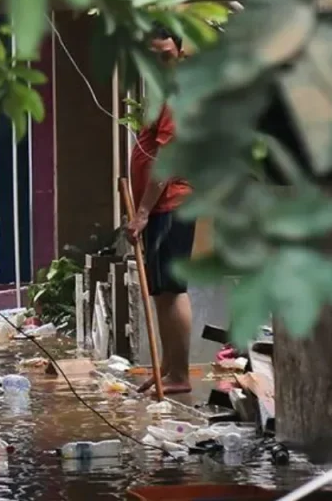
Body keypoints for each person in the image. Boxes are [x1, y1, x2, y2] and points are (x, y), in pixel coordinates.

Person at [126, 28, 195, 396]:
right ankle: (168, 367)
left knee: (171, 289)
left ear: (180, 54)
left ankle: (179, 374)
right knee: (162, 292)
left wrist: (141, 212)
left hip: (171, 203)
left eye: (166, 55)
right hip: (161, 206)